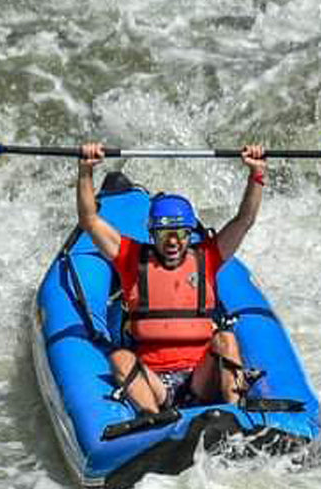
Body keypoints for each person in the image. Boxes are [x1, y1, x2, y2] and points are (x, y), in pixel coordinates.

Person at [76, 141, 267, 414]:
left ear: (191, 235)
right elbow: (90, 220)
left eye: (181, 234)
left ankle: (236, 413)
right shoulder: (132, 258)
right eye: (166, 235)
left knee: (225, 339)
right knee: (120, 358)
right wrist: (85, 172)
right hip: (156, 385)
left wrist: (257, 173)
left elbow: (244, 219)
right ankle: (154, 423)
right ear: (152, 234)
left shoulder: (208, 257)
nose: (174, 242)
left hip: (201, 378)